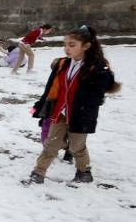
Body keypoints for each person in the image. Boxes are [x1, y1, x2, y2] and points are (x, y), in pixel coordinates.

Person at [26, 26, 119, 185]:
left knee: (77, 147)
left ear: (86, 46)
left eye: (72, 45)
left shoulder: (96, 67)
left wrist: (87, 102)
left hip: (81, 116)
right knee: (51, 144)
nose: (67, 48)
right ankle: (37, 174)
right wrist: (41, 105)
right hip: (60, 112)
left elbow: (98, 94)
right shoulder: (62, 64)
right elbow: (51, 88)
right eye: (65, 44)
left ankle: (84, 172)